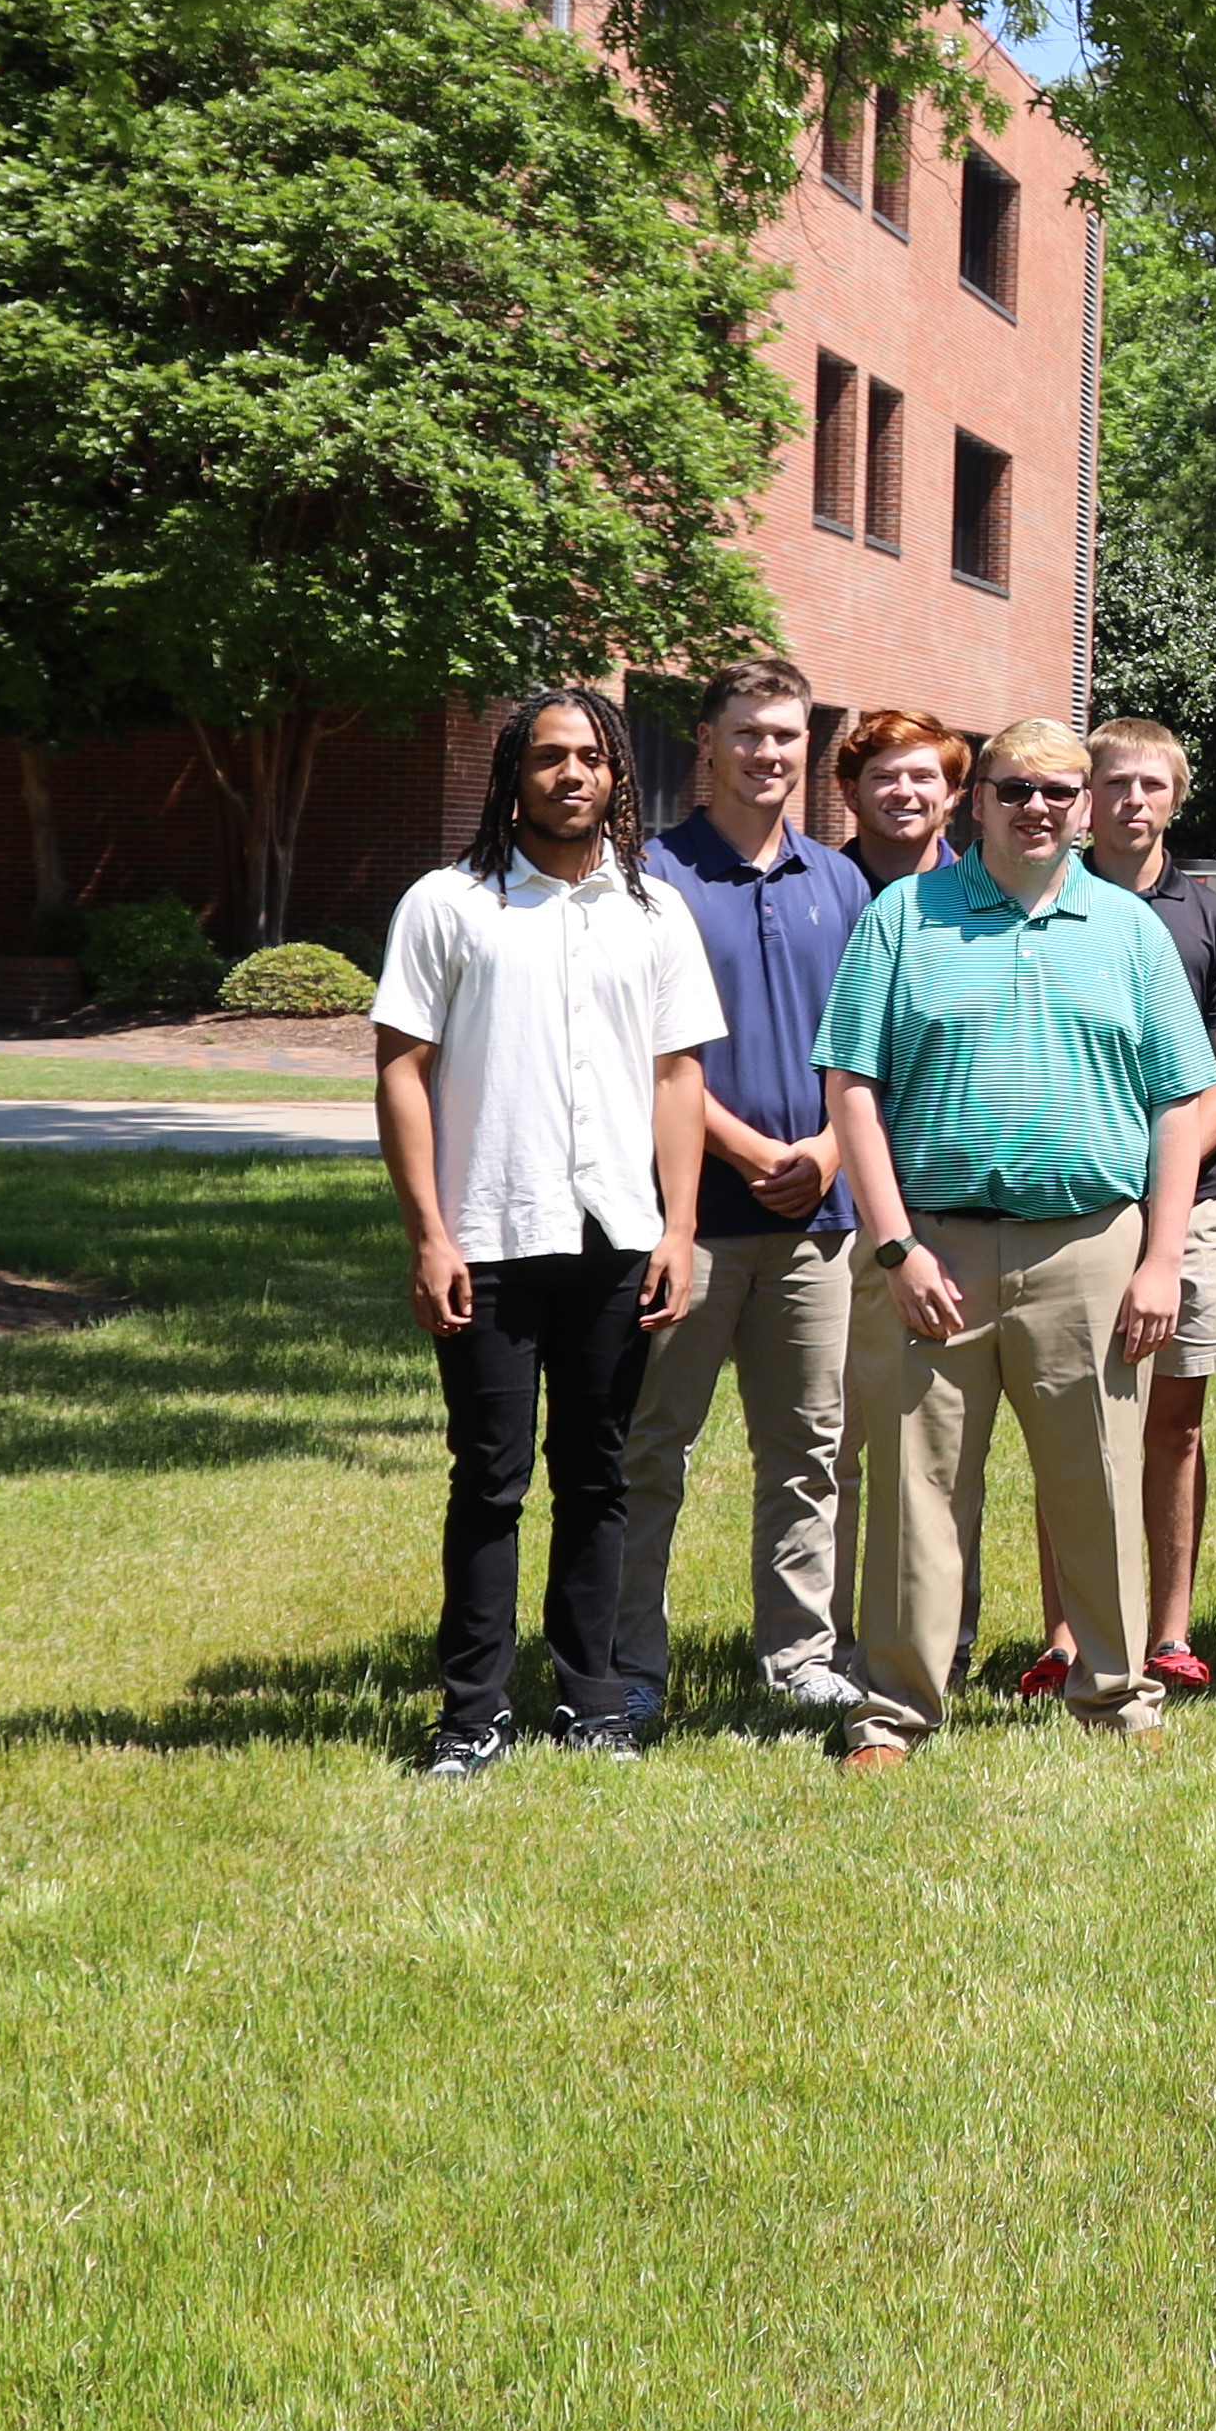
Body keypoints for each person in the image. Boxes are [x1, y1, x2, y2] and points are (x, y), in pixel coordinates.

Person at [814, 719, 1216, 1760]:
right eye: (1014, 789)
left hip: (1089, 1246)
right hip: (934, 1249)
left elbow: (1183, 1101)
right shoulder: (905, 916)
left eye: (1057, 789)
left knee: (1095, 1476)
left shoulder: (1128, 929)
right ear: (976, 799)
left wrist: (1160, 1257)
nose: (1036, 807)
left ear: (1085, 804)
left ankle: (1116, 1691)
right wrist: (895, 1246)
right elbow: (851, 1088)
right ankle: (896, 1707)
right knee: (916, 1486)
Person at [370, 687, 721, 1775]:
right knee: (489, 1479)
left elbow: (677, 1076)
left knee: (598, 1476)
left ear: (617, 778)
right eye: (549, 757)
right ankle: (471, 1714)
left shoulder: (655, 913)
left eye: (592, 758)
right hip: (487, 1237)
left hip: (617, 1238)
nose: (572, 774)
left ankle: (592, 1702)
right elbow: (400, 1069)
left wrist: (679, 1228)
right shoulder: (449, 903)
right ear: (512, 775)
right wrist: (430, 1234)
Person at [625, 656, 871, 1733]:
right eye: (750, 733)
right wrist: (741, 1152)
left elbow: (867, 1043)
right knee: (650, 1447)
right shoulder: (649, 875)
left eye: (787, 734)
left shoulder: (841, 881)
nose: (770, 752)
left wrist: (825, 1149)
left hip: (819, 1220)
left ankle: (801, 1654)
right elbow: (637, 1049)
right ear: (708, 742)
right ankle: (627, 1658)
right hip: (687, 1220)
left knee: (808, 1448)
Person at [1052, 717, 1216, 1708]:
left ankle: (1169, 1631)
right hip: (1075, 1211)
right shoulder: (1049, 899)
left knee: (1174, 1423)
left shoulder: (1213, 922)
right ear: (1088, 793)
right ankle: (1065, 1631)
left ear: (1177, 796)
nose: (1133, 799)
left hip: (1192, 1209)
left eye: (1152, 784)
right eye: (1115, 781)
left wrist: (1164, 1174)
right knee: (1072, 1422)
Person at [832, 706, 966, 892]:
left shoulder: (992, 905)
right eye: (884, 777)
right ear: (853, 793)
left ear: (950, 794)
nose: (904, 792)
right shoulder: (815, 895)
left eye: (922, 777)